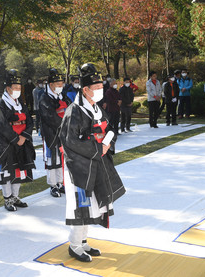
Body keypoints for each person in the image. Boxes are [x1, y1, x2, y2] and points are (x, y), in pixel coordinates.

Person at [59, 63, 125, 262]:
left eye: (100, 87)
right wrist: (98, 149)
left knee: (92, 204)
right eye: (95, 88)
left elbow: (110, 127)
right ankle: (75, 245)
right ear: (85, 89)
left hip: (96, 162)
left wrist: (107, 142)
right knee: (81, 205)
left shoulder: (95, 108)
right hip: (79, 167)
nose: (99, 91)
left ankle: (83, 241)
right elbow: (70, 141)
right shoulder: (74, 111)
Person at [0, 69, 35, 211]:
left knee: (18, 170)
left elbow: (30, 121)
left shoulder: (21, 104)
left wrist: (24, 136)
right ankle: (7, 199)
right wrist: (14, 138)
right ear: (8, 88)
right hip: (7, 143)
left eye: (20, 88)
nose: (18, 90)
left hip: (21, 141)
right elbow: (0, 125)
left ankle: (15, 196)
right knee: (7, 172)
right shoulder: (1, 105)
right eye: (15, 88)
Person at [39, 68, 71, 198]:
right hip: (51, 132)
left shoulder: (63, 96)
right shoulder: (44, 98)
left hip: (63, 131)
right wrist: (64, 124)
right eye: (58, 84)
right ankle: (52, 184)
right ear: (51, 85)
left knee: (62, 158)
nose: (60, 86)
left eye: (61, 84)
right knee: (52, 159)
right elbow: (49, 116)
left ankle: (60, 182)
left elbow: (70, 109)